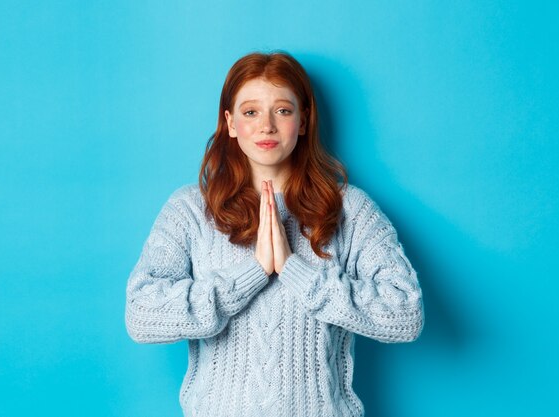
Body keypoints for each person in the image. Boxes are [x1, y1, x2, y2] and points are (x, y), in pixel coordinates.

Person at [125, 51, 424, 417]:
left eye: (282, 110)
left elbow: (406, 313)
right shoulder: (189, 209)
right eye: (251, 112)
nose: (266, 125)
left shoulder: (349, 209)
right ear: (230, 122)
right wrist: (251, 274)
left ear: (302, 121)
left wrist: (294, 270)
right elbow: (141, 314)